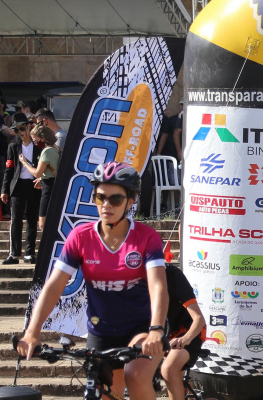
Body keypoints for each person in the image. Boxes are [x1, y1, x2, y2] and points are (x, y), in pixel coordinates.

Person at [17, 162, 167, 400]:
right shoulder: (80, 236)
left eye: (115, 199)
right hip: (101, 330)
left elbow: (158, 286)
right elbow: (55, 285)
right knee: (103, 393)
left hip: (142, 328)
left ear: (130, 201)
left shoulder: (147, 238)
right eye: (100, 197)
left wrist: (156, 330)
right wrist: (32, 332)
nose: (106, 205)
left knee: (136, 376)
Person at [0, 113, 42, 264]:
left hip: (34, 184)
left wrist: (41, 179)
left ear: (29, 127)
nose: (21, 132)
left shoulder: (39, 146)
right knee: (16, 219)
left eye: (22, 128)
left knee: (32, 219)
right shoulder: (13, 146)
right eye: (17, 130)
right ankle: (14, 254)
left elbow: (47, 166)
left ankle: (30, 253)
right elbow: (9, 169)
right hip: (17, 185)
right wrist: (5, 190)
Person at [161, 265, 206, 400]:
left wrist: (186, 338)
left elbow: (199, 319)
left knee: (168, 370)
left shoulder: (173, 275)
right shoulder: (135, 277)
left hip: (187, 331)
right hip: (162, 334)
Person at [19, 125, 59, 232]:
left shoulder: (46, 152)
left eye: (35, 139)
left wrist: (24, 163)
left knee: (43, 225)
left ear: (43, 138)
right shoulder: (56, 149)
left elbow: (37, 173)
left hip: (47, 190)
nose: (35, 142)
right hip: (55, 187)